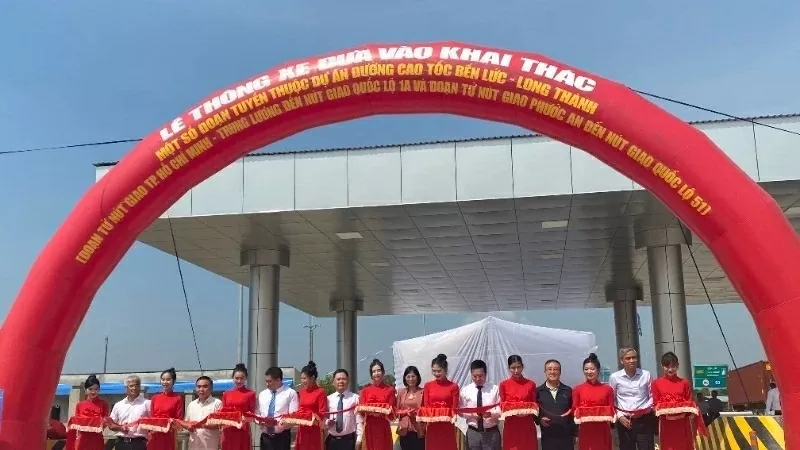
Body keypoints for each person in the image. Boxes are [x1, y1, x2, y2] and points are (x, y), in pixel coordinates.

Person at [651, 352, 707, 450]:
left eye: (673, 366)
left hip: (683, 424)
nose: (670, 369)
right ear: (662, 366)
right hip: (666, 425)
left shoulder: (684, 383)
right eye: (667, 366)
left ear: (678, 366)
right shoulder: (656, 383)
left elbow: (689, 402)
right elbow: (655, 404)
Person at [609, 348, 655, 450]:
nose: (631, 360)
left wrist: (643, 410)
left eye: (634, 357)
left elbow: (652, 397)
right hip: (624, 421)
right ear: (622, 361)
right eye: (628, 358)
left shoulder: (646, 375)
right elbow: (612, 400)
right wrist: (620, 416)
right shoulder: (614, 377)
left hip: (644, 420)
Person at [572, 353, 615, 450]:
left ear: (598, 370)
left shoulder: (607, 389)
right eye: (586, 369)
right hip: (585, 431)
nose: (589, 372)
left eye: (592, 369)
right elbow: (574, 410)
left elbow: (612, 410)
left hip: (602, 430)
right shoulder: (578, 389)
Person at [418, 354, 460, 450]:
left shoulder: (453, 387)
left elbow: (455, 408)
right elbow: (426, 406)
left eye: (439, 371)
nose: (436, 373)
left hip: (447, 426)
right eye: (434, 371)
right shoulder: (428, 386)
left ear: (445, 371)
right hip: (432, 426)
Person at [497, 355, 537, 450]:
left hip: (527, 424)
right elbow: (502, 405)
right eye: (513, 368)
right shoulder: (503, 385)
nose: (516, 371)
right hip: (511, 426)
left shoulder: (531, 384)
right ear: (508, 368)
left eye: (518, 367)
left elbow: (534, 404)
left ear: (522, 367)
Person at [461, 359, 501, 450]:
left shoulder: (495, 389)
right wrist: (471, 415)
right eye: (475, 376)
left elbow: (500, 408)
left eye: (481, 376)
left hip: (491, 432)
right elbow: (461, 410)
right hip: (473, 432)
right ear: (471, 374)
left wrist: (491, 414)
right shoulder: (466, 390)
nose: (478, 379)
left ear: (486, 374)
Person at [536, 359, 575, 450]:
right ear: (545, 372)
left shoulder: (568, 390)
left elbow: (573, 414)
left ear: (560, 372)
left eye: (555, 369)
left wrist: (575, 434)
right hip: (548, 436)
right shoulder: (538, 391)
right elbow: (534, 411)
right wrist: (539, 419)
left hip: (566, 437)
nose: (552, 372)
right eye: (549, 369)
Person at [358, 358, 397, 450]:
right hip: (369, 427)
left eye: (379, 370)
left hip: (383, 426)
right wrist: (370, 412)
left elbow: (393, 412)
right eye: (374, 371)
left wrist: (382, 412)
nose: (376, 373)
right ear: (371, 374)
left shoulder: (390, 390)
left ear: (383, 372)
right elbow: (361, 412)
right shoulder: (365, 391)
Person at [257, 366, 298, 450]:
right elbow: (256, 412)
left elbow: (294, 416)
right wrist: (260, 421)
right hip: (265, 437)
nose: (267, 384)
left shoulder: (290, 393)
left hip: (282, 437)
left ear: (278, 380)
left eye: (269, 381)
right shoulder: (262, 394)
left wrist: (280, 423)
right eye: (266, 381)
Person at [66, 374, 109, 450]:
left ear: (99, 389)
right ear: (85, 389)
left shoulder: (103, 404)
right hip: (82, 439)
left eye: (96, 389)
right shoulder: (80, 405)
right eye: (90, 389)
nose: (93, 392)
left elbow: (104, 424)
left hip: (96, 439)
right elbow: (77, 424)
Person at [108, 375, 151, 450]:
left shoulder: (147, 403)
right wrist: (120, 428)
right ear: (126, 388)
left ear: (140, 387)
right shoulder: (118, 405)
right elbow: (111, 425)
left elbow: (153, 424)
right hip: (121, 443)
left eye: (137, 385)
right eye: (131, 386)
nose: (134, 388)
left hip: (140, 443)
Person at [293, 361, 328, 450]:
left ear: (312, 378)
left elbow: (323, 412)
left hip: (315, 429)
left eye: (304, 378)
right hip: (302, 429)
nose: (302, 381)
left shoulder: (321, 392)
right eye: (301, 378)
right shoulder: (301, 392)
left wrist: (311, 416)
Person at [147, 368, 185, 450]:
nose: (165, 382)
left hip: (169, 435)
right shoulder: (155, 398)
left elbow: (178, 420)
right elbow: (152, 417)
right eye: (163, 379)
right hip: (155, 434)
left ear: (173, 381)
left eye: (168, 379)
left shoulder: (178, 398)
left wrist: (168, 424)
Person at [325, 369, 363, 450]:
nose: (341, 381)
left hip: (349, 441)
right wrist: (327, 421)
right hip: (332, 441)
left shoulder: (355, 398)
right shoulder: (328, 399)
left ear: (348, 381)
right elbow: (323, 417)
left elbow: (359, 421)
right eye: (338, 379)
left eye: (344, 379)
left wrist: (359, 439)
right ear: (333, 382)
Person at [221, 363, 257, 450]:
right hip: (228, 429)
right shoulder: (226, 394)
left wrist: (242, 419)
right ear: (233, 378)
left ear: (246, 378)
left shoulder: (250, 394)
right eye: (236, 378)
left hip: (242, 429)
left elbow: (252, 413)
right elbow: (223, 412)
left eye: (242, 378)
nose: (239, 381)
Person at [183, 376, 223, 450]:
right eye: (199, 386)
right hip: (193, 445)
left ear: (211, 388)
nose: (201, 389)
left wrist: (201, 425)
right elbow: (187, 422)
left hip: (210, 445)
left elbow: (219, 424)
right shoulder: (192, 405)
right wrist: (188, 426)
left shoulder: (217, 403)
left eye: (205, 386)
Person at [396, 366, 425, 450]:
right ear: (405, 378)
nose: (411, 379)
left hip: (418, 429)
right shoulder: (401, 392)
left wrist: (416, 414)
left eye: (413, 376)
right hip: (404, 430)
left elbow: (426, 410)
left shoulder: (423, 392)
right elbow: (397, 411)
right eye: (408, 376)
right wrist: (405, 412)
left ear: (418, 377)